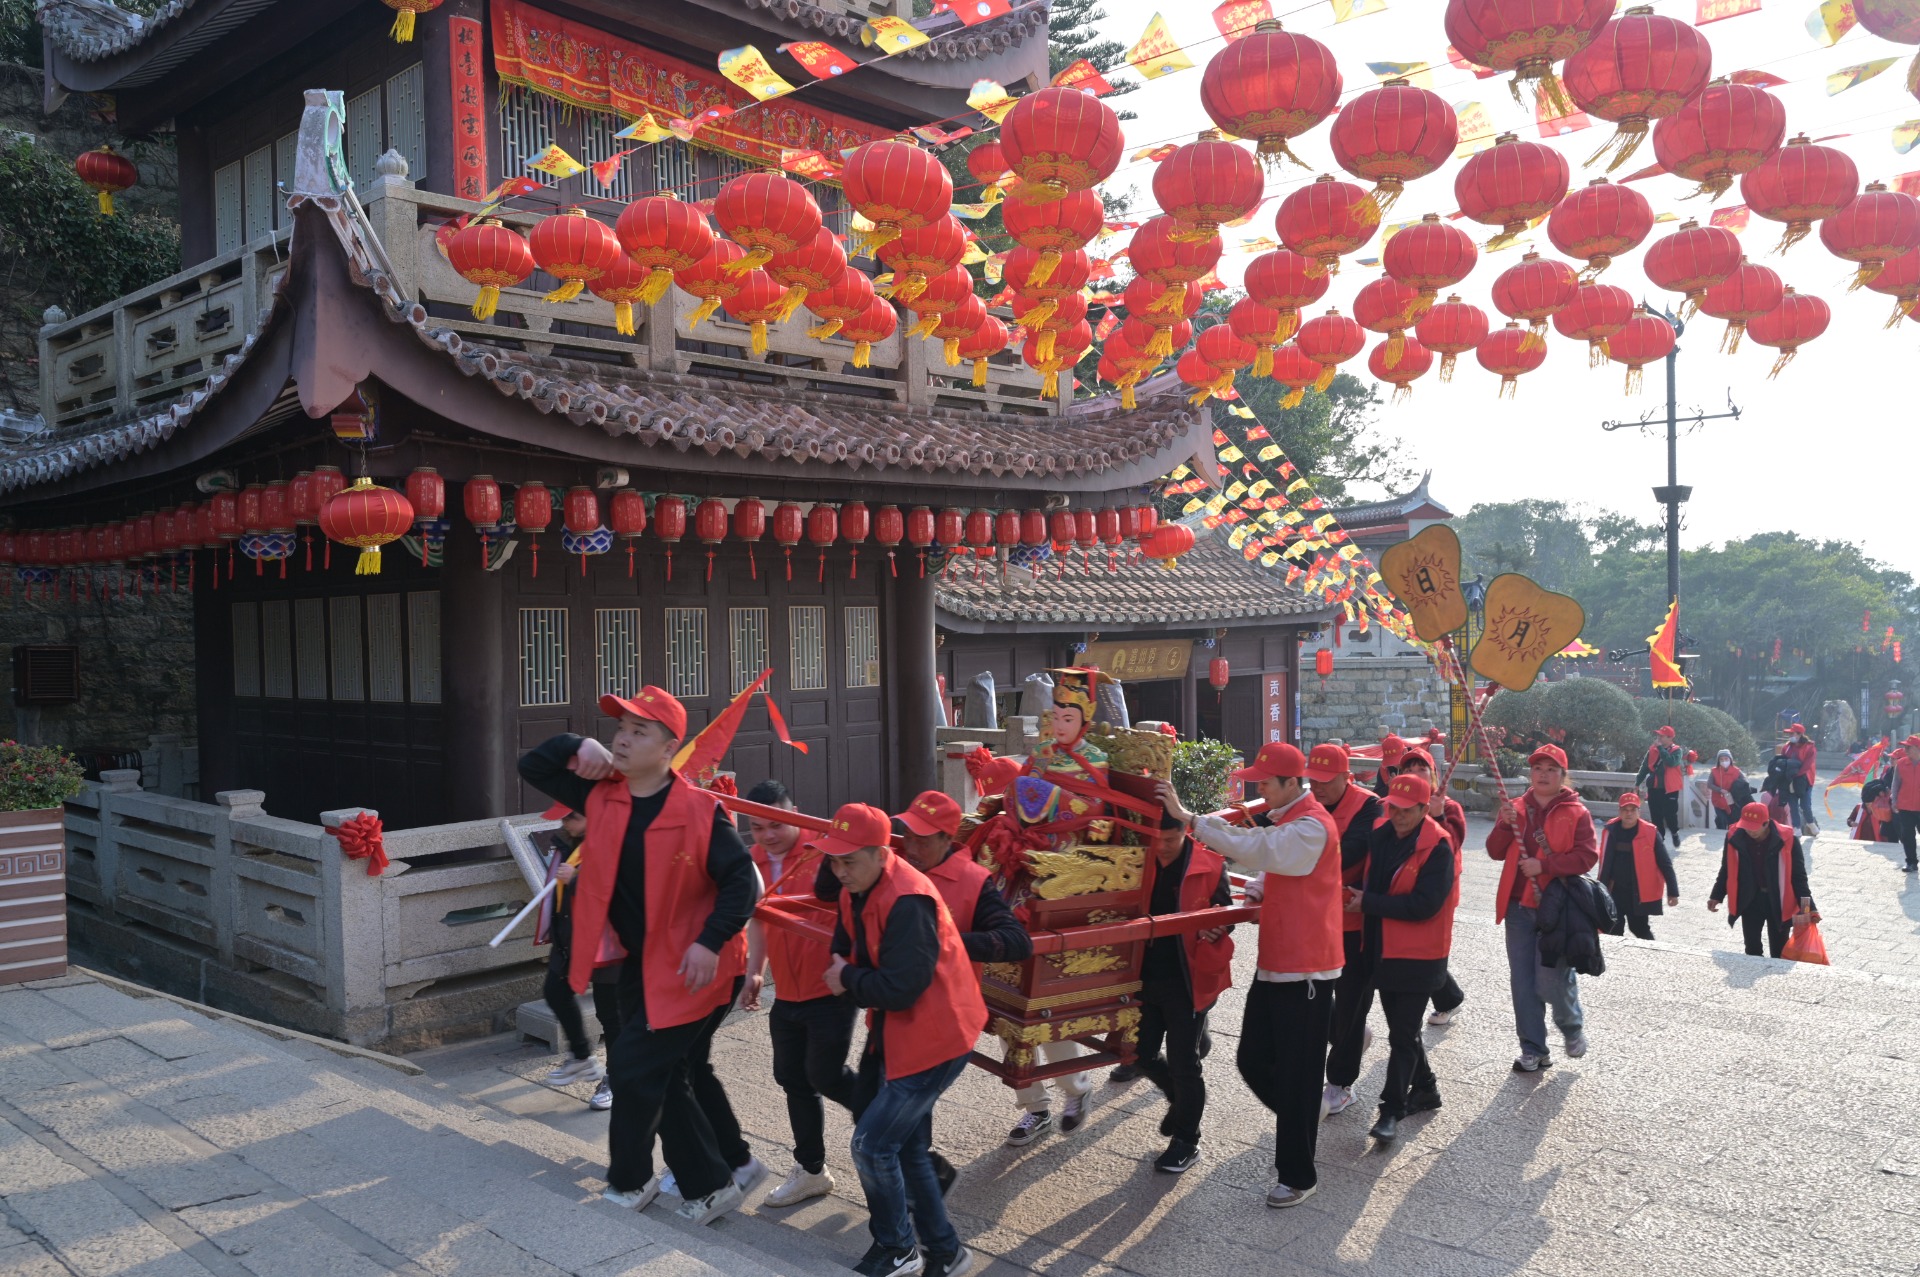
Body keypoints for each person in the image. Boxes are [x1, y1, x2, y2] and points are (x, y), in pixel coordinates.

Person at [517, 686, 758, 1226]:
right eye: (620, 729)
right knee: (660, 1071)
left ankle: (632, 1180)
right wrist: (579, 744)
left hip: (695, 967)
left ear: (671, 746)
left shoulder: (699, 810)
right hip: (639, 961)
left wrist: (709, 941)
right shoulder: (605, 796)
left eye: (638, 731)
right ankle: (712, 1183)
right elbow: (533, 763)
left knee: (632, 1067)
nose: (622, 739)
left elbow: (743, 882)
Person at [1159, 742, 1341, 1209]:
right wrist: (1250, 897)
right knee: (1252, 1060)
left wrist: (1190, 817)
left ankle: (1298, 1174)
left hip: (1306, 972)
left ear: (1289, 784)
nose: (1259, 790)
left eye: (1265, 782)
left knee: (1297, 1075)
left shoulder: (1311, 828)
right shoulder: (1291, 824)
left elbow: (1259, 849)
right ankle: (1300, 1118)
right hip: (1278, 962)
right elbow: (1269, 868)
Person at [820, 803, 988, 1277]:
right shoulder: (858, 884)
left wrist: (847, 976)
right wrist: (848, 970)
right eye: (833, 860)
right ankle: (947, 1253)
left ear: (880, 854)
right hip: (907, 1031)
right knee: (906, 1149)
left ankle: (898, 1248)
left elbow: (901, 987)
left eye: (848, 860)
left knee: (872, 1145)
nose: (838, 870)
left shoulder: (908, 898)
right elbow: (844, 940)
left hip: (938, 1036)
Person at [893, 789, 1029, 1189]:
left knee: (896, 1123)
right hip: (894, 1008)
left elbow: (1016, 942)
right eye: (908, 833)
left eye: (922, 837)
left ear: (945, 839)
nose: (911, 844)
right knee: (891, 1116)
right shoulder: (894, 865)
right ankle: (927, 1178)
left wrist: (947, 940)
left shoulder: (973, 882)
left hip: (944, 1018)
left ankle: (925, 1217)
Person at [740, 779, 857, 1209]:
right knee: (792, 1078)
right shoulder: (752, 860)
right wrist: (755, 971)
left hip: (831, 987)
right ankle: (811, 1170)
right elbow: (758, 915)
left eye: (776, 824)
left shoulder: (826, 853)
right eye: (756, 828)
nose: (767, 835)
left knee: (825, 1075)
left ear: (795, 812)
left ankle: (892, 1132)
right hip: (786, 992)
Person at [1347, 773, 1457, 1142]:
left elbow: (1425, 905)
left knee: (1402, 1033)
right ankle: (1425, 1087)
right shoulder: (1380, 837)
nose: (1397, 815)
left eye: (1407, 810)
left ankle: (1391, 1109)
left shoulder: (1439, 847)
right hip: (1383, 949)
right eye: (1393, 806)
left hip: (1420, 956)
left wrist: (1369, 902)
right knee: (1403, 1032)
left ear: (1425, 809)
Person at [1134, 805, 1235, 1173]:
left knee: (1184, 1064)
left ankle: (1186, 1141)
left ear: (1185, 832)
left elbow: (1226, 912)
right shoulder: (1138, 859)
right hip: (1144, 976)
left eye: (1171, 839)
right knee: (1137, 1054)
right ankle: (1179, 1101)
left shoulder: (1209, 864)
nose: (1162, 847)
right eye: (1156, 839)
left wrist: (1217, 926)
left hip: (1189, 977)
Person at [1486, 744, 1598, 1072]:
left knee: (1549, 980)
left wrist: (1545, 866)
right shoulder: (1515, 807)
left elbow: (1587, 856)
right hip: (1518, 908)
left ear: (1564, 776)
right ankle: (1533, 1048)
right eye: (1538, 768)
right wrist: (1505, 825)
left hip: (1558, 909)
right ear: (1530, 773)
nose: (1544, 774)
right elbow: (1494, 850)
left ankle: (1571, 1025)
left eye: (1551, 769)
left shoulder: (1577, 811)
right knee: (1522, 982)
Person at [1303, 742, 1383, 1119]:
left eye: (1325, 781)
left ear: (1344, 776)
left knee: (1353, 1003)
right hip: (1317, 919)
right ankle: (1349, 1040)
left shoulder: (1370, 806)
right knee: (1316, 998)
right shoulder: (1305, 805)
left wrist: (1299, 854)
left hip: (1355, 923)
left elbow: (1350, 853)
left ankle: (1340, 1083)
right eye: (1312, 781)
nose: (1317, 788)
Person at [537, 804, 620, 1112]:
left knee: (611, 1015)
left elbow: (619, 891)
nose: (565, 821)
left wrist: (577, 879)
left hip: (608, 943)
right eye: (564, 815)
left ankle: (615, 1078)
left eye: (573, 816)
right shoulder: (565, 843)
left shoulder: (613, 842)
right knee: (554, 991)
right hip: (569, 937)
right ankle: (582, 1056)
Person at [1393, 748, 1469, 1026]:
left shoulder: (1448, 807)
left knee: (1431, 945)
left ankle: (1446, 997)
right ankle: (1448, 997)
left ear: (1434, 775)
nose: (1415, 775)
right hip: (1406, 886)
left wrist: (1436, 817)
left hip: (1440, 890)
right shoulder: (1396, 806)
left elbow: (1451, 846)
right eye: (1408, 770)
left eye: (1421, 769)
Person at [1710, 802, 1815, 958]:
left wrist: (1809, 908)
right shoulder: (1735, 837)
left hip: (1778, 901)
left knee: (1779, 951)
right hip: (1750, 899)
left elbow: (1799, 877)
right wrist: (1716, 895)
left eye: (1753, 827)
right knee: (1751, 949)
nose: (1749, 831)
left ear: (1766, 823)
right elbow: (1727, 868)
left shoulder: (1788, 839)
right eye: (1745, 826)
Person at [1596, 792, 1680, 941]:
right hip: (1614, 890)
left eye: (1632, 810)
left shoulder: (1650, 832)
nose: (1629, 814)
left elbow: (1665, 863)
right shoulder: (1610, 830)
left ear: (1639, 812)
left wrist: (1673, 891)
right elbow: (1603, 863)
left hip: (1639, 892)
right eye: (1625, 810)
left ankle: (1653, 955)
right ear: (1619, 811)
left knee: (1639, 929)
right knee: (1613, 929)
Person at [1635, 726, 1685, 845]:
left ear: (1670, 738)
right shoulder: (1652, 750)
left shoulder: (1677, 751)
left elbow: (1671, 762)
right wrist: (1638, 782)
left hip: (1670, 789)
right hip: (1655, 787)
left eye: (1662, 736)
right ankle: (1659, 838)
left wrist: (1661, 749)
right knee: (1655, 814)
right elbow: (1645, 767)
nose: (1658, 738)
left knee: (1670, 814)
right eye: (1658, 735)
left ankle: (1674, 832)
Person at [1778, 724, 1820, 836]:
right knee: (1793, 806)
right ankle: (1796, 828)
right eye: (1789, 734)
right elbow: (1782, 761)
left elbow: (1807, 765)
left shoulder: (1810, 747)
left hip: (1805, 781)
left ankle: (1810, 823)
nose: (1790, 736)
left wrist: (1796, 775)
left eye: (1792, 733)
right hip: (1789, 781)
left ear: (1800, 734)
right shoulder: (1786, 747)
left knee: (1805, 805)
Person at [1889, 735, 1920, 872]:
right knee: (1907, 836)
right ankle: (1911, 862)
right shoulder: (1901, 763)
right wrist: (1894, 800)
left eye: (1909, 747)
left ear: (1917, 748)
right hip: (1905, 806)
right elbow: (1895, 784)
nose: (1905, 749)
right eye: (1905, 746)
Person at [1707, 750, 1744, 830]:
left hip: (1732, 801)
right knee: (1721, 818)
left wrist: (1735, 790)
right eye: (1721, 759)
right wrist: (1719, 790)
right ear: (1718, 761)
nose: (1724, 761)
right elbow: (1709, 784)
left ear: (1730, 759)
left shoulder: (1737, 771)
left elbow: (1744, 783)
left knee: (1731, 821)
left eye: (1726, 759)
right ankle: (1720, 834)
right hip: (1718, 800)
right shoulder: (1714, 771)